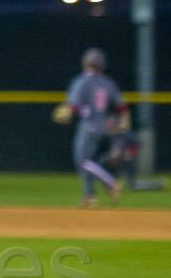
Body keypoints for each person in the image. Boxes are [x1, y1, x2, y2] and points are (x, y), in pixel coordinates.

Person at [52, 48, 127, 208]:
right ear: (101, 65)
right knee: (88, 162)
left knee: (83, 161)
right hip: (103, 125)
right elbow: (121, 106)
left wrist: (66, 114)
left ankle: (111, 183)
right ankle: (90, 197)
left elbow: (73, 105)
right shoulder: (108, 82)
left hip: (88, 126)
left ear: (86, 63)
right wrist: (123, 122)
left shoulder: (82, 81)